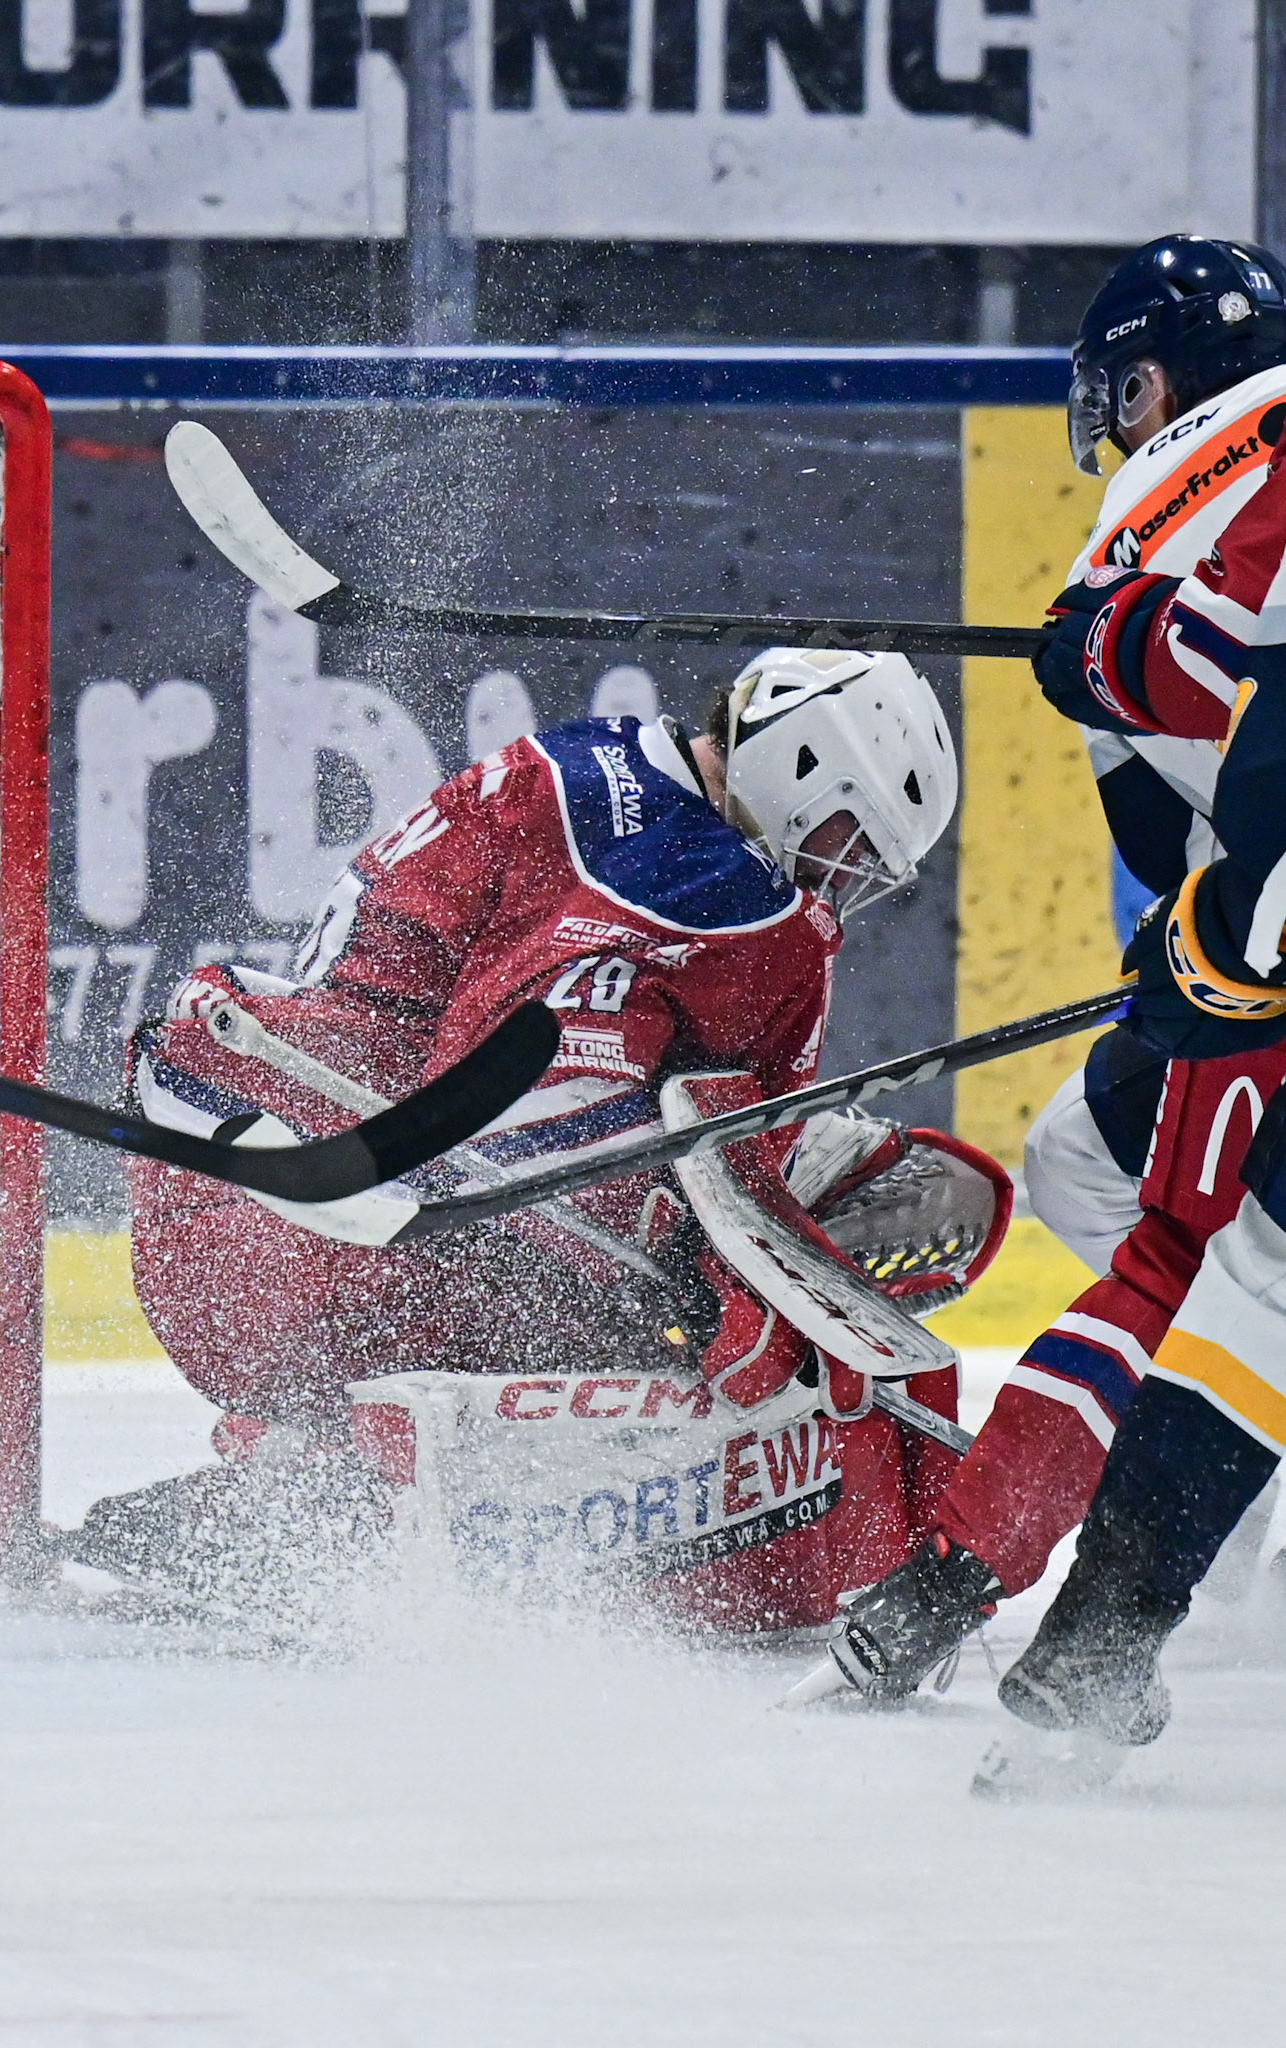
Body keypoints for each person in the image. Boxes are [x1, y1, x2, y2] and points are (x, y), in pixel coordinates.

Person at [71, 646, 1005, 1633]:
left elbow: (501, 1091)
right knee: (704, 1339)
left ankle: (308, 1472)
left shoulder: (609, 760)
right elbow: (512, 1127)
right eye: (850, 840)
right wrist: (703, 1272)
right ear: (803, 766)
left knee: (705, 1252)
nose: (844, 879)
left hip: (254, 1230)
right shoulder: (708, 884)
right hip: (322, 1249)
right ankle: (343, 1514)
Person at [814, 234, 1286, 1711]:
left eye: (1121, 389)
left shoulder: (1221, 482)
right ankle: (1196, 1527)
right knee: (1096, 1166)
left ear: (1163, 378)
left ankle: (1084, 1589)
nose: (1114, 422)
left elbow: (1206, 681)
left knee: (1224, 1266)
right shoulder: (1186, 503)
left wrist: (1106, 651)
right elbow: (1185, 810)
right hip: (1266, 929)